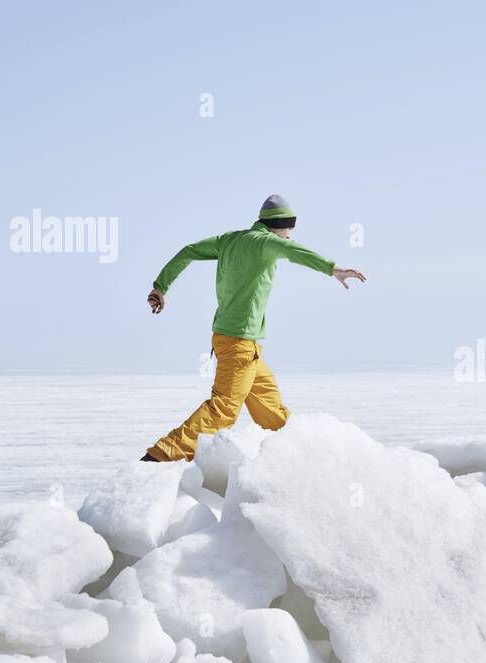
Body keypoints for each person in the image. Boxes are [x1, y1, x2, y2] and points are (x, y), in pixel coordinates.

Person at [141, 194, 366, 462]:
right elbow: (295, 252)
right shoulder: (265, 243)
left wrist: (161, 285)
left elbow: (188, 250)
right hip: (239, 343)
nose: (290, 233)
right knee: (223, 408)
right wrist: (332, 269)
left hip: (238, 342)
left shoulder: (229, 240)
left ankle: (301, 456)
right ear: (280, 225)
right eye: (290, 227)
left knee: (270, 407)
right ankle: (160, 458)